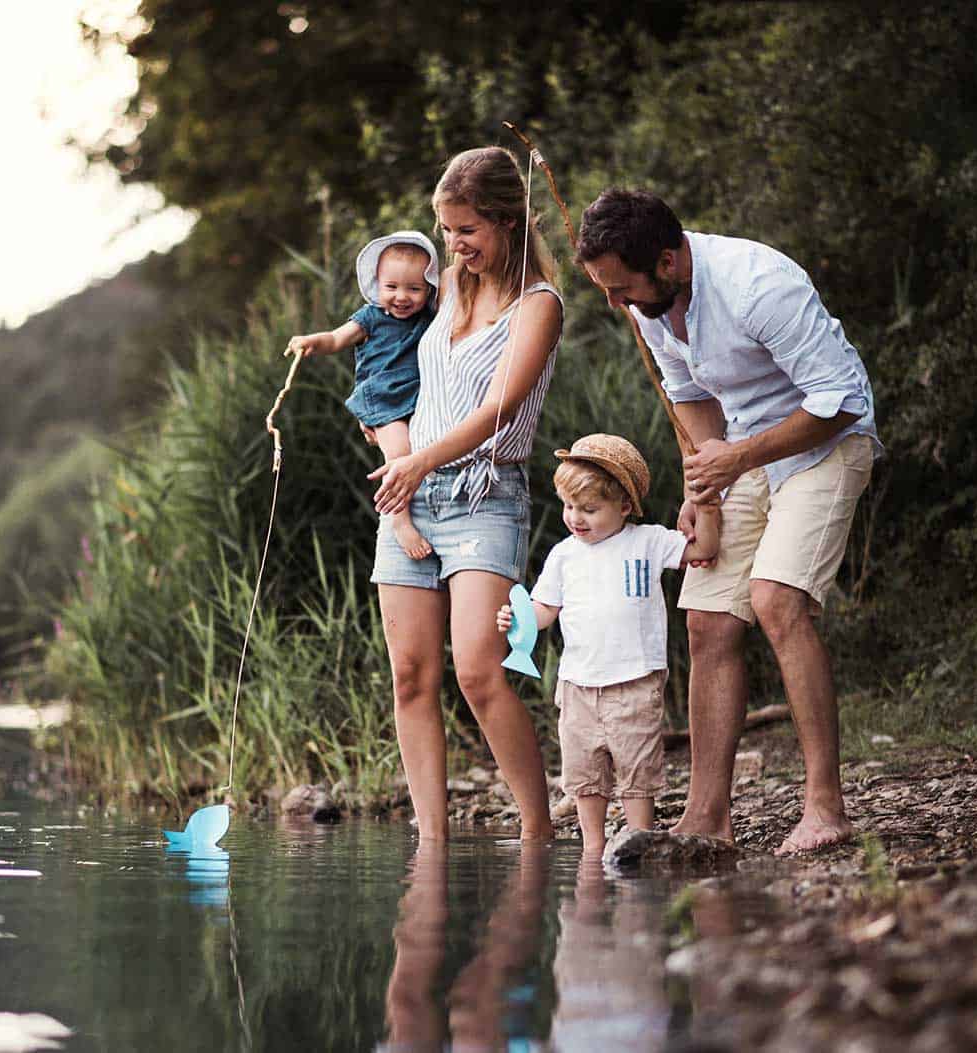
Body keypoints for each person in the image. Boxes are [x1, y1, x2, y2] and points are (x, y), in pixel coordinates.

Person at [575, 188, 882, 854]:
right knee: (708, 617)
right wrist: (704, 486)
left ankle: (824, 807)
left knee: (775, 600)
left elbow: (840, 400)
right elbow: (691, 399)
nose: (615, 303)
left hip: (828, 442)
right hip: (744, 452)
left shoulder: (757, 285)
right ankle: (707, 818)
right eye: (605, 290)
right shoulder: (650, 306)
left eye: (622, 287)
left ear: (666, 260)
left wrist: (736, 457)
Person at [366, 146, 563, 843]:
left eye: (468, 230)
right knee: (411, 676)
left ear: (508, 221)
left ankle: (538, 831)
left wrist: (418, 461)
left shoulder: (540, 305)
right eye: (448, 230)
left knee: (480, 670)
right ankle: (432, 842)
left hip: (486, 493)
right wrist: (398, 454)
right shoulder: (444, 283)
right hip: (411, 495)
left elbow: (501, 411)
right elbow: (383, 367)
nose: (454, 245)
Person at [496, 434, 720, 860]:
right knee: (584, 773)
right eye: (569, 507)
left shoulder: (648, 541)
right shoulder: (564, 555)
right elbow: (543, 609)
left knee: (637, 768)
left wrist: (706, 507)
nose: (576, 518)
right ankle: (593, 848)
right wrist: (516, 619)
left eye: (590, 509)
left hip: (634, 680)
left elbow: (704, 549)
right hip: (578, 683)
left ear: (624, 506)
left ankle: (638, 839)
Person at [288, 232, 441, 559]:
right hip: (383, 399)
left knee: (425, 448)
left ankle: (427, 509)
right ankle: (399, 520)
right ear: (377, 284)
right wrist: (312, 342)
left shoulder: (430, 319)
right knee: (400, 453)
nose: (401, 297)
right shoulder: (370, 317)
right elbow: (335, 338)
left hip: (418, 398)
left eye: (414, 289)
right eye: (391, 287)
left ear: (429, 288)